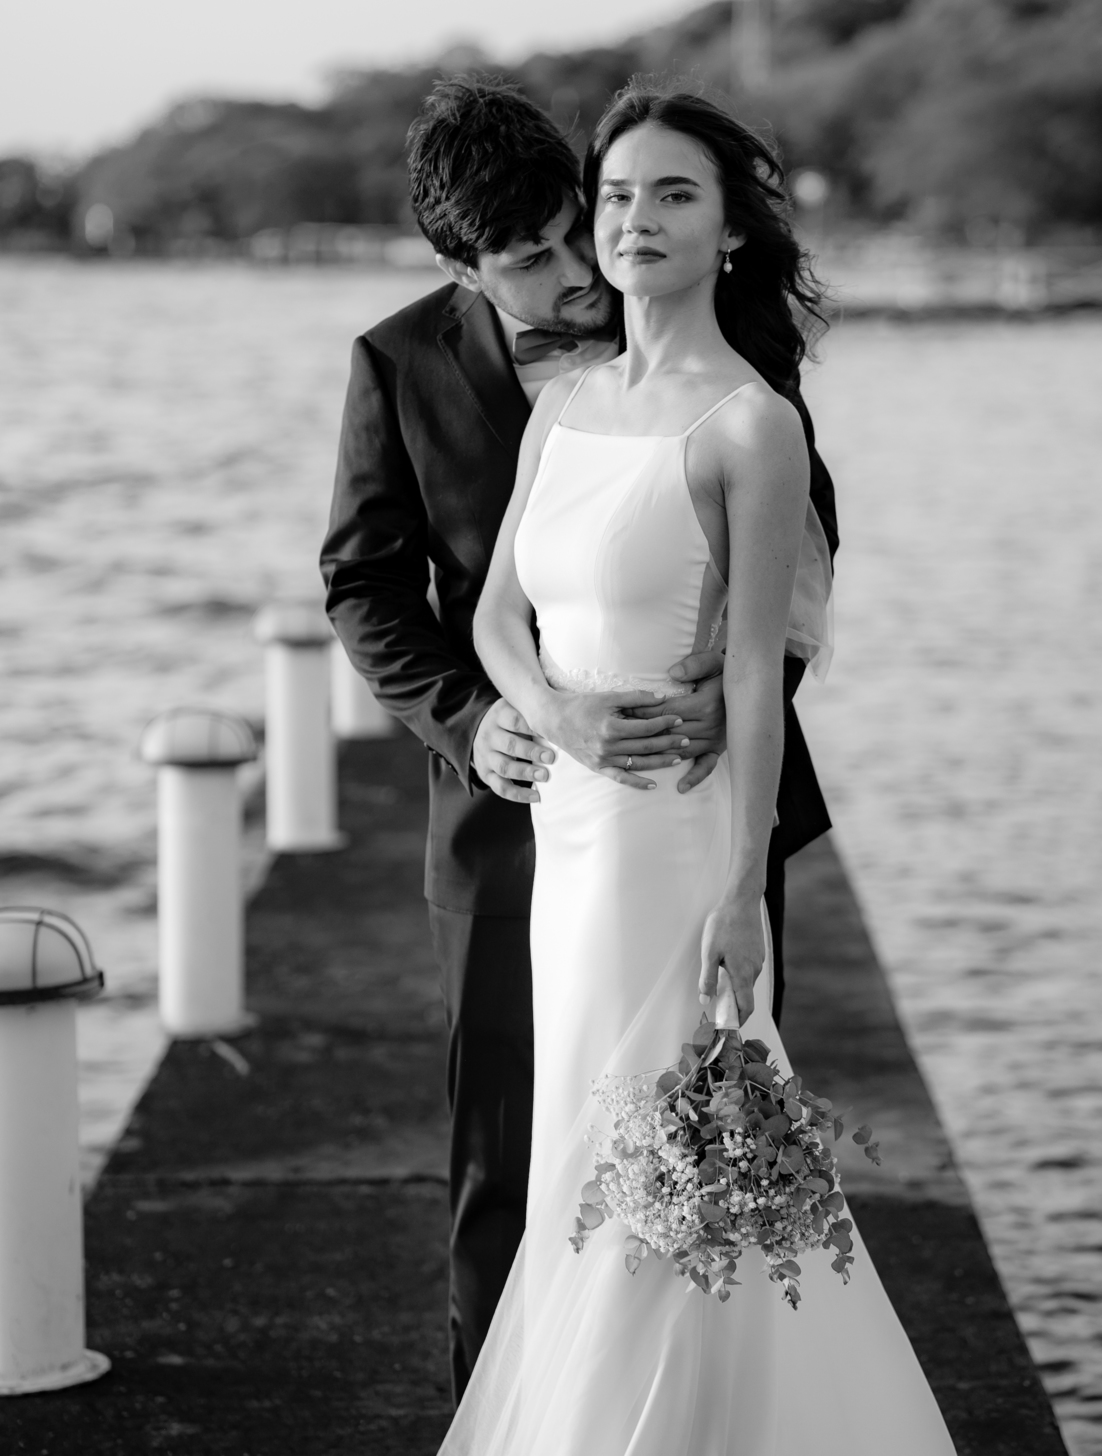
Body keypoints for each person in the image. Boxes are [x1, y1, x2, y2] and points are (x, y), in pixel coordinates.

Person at [443, 84, 955, 1453]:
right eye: (616, 197)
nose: (636, 220)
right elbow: (496, 614)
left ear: (730, 232)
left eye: (674, 194)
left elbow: (752, 680)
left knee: (673, 1155)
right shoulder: (564, 402)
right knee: (577, 1146)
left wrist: (742, 895)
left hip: (676, 849)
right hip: (573, 835)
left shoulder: (752, 426)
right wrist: (550, 711)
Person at [320, 77, 836, 1403]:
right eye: (529, 261)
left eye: (574, 228)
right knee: (512, 1157)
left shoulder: (718, 348)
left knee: (710, 1143)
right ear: (459, 267)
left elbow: (806, 544)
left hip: (697, 802)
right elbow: (365, 585)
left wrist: (741, 686)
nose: (575, 274)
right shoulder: (398, 363)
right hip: (507, 827)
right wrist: (483, 718)